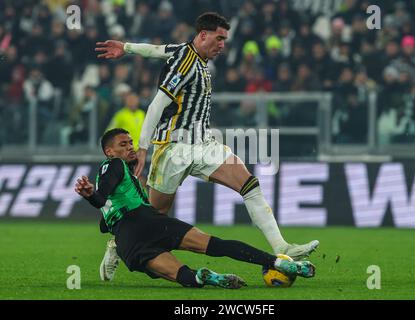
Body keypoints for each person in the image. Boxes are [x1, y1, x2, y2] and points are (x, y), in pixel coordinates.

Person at [95, 12, 319, 281]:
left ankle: (282, 248)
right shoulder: (185, 62)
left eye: (225, 39)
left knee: (249, 184)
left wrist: (128, 48)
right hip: (173, 149)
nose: (223, 44)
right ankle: (117, 243)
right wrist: (143, 147)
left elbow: (157, 50)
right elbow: (156, 105)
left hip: (203, 144)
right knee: (153, 216)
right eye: (219, 38)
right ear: (203, 35)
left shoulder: (185, 52)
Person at [74, 128, 316, 288]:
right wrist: (92, 195)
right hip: (149, 222)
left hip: (128, 243)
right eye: (123, 144)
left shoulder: (119, 178)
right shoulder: (114, 165)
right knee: (215, 245)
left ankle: (206, 277)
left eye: (131, 143)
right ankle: (281, 263)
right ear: (109, 151)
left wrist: (91, 197)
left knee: (183, 276)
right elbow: (101, 195)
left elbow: (103, 216)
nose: (130, 147)